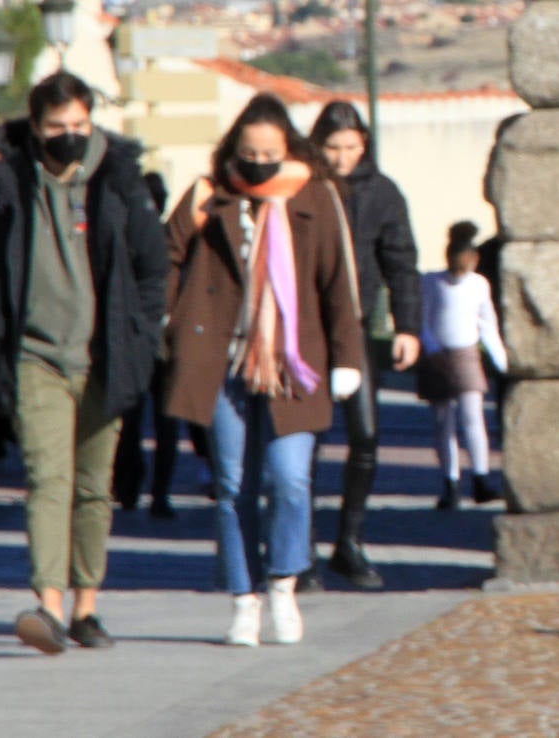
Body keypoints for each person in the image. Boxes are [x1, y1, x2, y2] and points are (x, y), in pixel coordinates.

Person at [0, 71, 168, 654]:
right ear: (35, 125)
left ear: (91, 123)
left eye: (79, 126)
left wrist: (141, 338)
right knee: (49, 478)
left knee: (95, 486)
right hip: (34, 355)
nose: (68, 136)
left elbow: (153, 267)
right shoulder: (3, 186)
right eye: (56, 127)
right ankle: (47, 604)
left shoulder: (119, 183)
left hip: (105, 354)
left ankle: (86, 606)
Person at [162, 92, 363, 646]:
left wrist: (349, 358)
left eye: (269, 152)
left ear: (289, 149)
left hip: (293, 364)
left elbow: (339, 286)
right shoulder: (209, 195)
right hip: (221, 360)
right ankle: (243, 599)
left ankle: (283, 585)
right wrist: (171, 323)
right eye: (248, 153)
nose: (258, 162)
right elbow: (167, 257)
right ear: (233, 150)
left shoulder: (317, 197)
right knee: (232, 485)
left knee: (292, 479)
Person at [306, 100, 421, 589]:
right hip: (307, 331)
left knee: (366, 438)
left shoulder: (383, 192)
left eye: (351, 147)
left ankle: (348, 542)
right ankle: (300, 548)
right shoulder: (303, 188)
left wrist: (408, 326)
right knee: (303, 443)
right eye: (332, 147)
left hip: (356, 328)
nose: (342, 157)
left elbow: (402, 263)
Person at [418, 221, 507, 511]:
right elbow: (423, 319)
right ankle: (451, 484)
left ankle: (481, 479)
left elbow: (487, 324)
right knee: (443, 425)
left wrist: (499, 358)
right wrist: (431, 349)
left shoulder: (479, 285)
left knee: (473, 420)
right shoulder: (431, 282)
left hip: (466, 355)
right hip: (438, 357)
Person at [112, 172, 183, 518]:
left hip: (141, 338)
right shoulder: (171, 237)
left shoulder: (128, 236)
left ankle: (132, 488)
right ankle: (156, 493)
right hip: (157, 339)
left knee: (133, 419)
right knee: (162, 423)